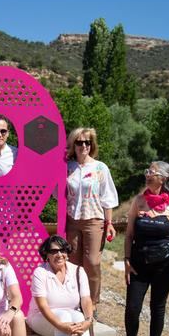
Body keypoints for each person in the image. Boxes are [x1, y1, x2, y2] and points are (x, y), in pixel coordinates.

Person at [119, 161, 169, 336]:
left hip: (165, 266)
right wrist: (127, 261)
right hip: (139, 264)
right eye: (147, 171)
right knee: (132, 307)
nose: (148, 175)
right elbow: (129, 235)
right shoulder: (139, 201)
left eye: (153, 172)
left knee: (158, 306)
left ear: (164, 178)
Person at [27, 235, 99, 336]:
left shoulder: (78, 271)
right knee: (64, 315)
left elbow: (86, 299)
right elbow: (43, 306)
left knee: (78, 316)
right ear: (46, 254)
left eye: (63, 250)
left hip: (70, 319)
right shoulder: (40, 272)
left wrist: (88, 320)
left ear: (67, 252)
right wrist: (60, 325)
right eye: (54, 251)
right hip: (41, 319)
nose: (59, 254)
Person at [65, 127, 118, 310]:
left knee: (93, 262)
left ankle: (92, 303)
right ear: (73, 145)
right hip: (72, 220)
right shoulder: (67, 167)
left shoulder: (99, 167)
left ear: (92, 145)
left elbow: (107, 197)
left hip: (94, 219)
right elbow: (58, 193)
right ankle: (76, 301)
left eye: (87, 142)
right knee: (73, 262)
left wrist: (109, 223)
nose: (84, 146)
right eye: (79, 142)